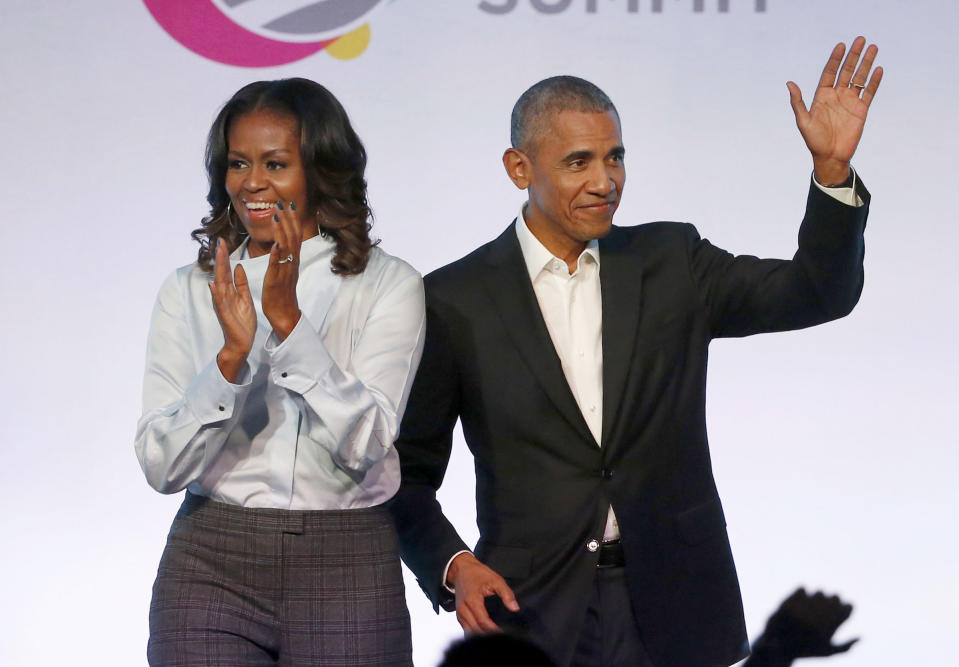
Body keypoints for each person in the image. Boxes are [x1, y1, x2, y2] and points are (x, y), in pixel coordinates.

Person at [389, 38, 882, 667]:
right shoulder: (451, 298)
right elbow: (403, 473)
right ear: (519, 168)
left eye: (615, 157)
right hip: (532, 611)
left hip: (675, 600)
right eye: (578, 162)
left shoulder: (672, 261)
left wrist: (832, 175)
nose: (605, 181)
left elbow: (817, 293)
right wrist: (454, 566)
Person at [135, 78, 424, 666]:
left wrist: (291, 328)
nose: (253, 184)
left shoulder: (387, 284)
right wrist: (228, 362)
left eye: (276, 163)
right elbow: (162, 467)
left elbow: (368, 442)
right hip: (210, 559)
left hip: (345, 558)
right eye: (238, 163)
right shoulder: (189, 290)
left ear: (320, 170)